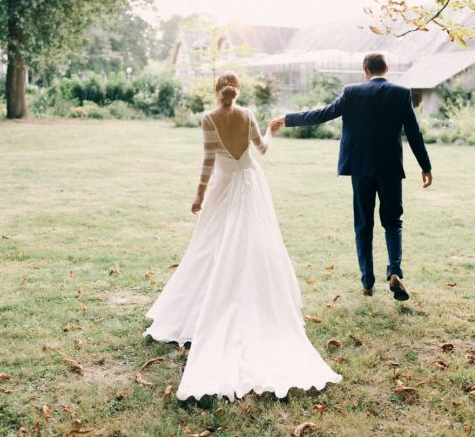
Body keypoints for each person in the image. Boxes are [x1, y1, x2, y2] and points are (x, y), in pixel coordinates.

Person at [143, 71, 341, 402]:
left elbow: (208, 162)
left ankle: (206, 304)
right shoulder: (248, 115)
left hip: (222, 186)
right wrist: (271, 131)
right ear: (237, 90)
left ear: (216, 90)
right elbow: (261, 149)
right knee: (253, 244)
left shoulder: (208, 118)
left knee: (211, 246)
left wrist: (199, 195)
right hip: (250, 185)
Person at [272, 53, 433, 301]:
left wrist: (287, 119)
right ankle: (394, 271)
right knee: (393, 221)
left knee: (363, 224)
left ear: (365, 69)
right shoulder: (401, 93)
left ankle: (367, 283)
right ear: (387, 68)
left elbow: (323, 114)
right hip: (390, 169)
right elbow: (413, 132)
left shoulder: (352, 92)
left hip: (360, 168)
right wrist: (425, 166)